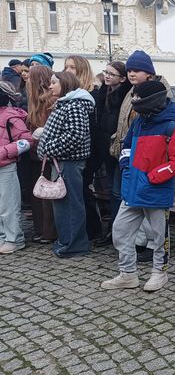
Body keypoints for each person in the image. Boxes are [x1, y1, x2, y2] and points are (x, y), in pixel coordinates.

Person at [101, 80, 175, 292]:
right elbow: (126, 146)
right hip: (132, 190)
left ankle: (160, 272)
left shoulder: (170, 127)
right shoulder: (139, 123)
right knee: (120, 231)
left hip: (156, 192)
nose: (135, 101)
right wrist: (126, 167)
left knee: (159, 237)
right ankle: (128, 274)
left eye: (139, 98)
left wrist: (154, 176)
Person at [110, 50, 172, 262]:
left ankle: (157, 259)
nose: (131, 73)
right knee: (128, 209)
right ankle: (134, 252)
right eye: (129, 70)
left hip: (151, 163)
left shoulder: (160, 92)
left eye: (136, 70)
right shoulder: (131, 91)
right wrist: (124, 157)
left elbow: (160, 127)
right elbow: (127, 122)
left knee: (152, 215)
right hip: (131, 157)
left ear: (149, 72)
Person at [36, 71, 95, 257]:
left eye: (54, 83)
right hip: (61, 161)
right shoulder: (66, 104)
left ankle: (75, 245)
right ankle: (66, 241)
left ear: (65, 84)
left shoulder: (74, 106)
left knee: (70, 204)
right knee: (62, 204)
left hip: (69, 162)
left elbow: (74, 136)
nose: (50, 86)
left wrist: (48, 148)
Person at [64, 55, 102, 240]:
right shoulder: (70, 93)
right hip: (76, 151)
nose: (68, 71)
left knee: (83, 191)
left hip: (88, 150)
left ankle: (92, 229)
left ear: (81, 70)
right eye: (66, 67)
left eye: (72, 67)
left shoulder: (92, 93)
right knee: (79, 192)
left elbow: (93, 128)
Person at [93, 62, 131, 245]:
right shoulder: (103, 92)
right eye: (105, 72)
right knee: (111, 191)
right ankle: (113, 231)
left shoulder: (125, 95)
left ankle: (118, 232)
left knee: (117, 192)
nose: (107, 76)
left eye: (111, 74)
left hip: (120, 148)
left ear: (122, 79)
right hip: (105, 148)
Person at [26, 66, 58, 244]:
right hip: (36, 153)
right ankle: (44, 230)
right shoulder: (36, 101)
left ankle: (48, 231)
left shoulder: (48, 102)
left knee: (45, 192)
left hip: (45, 153)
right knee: (39, 193)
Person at [0, 85, 33, 254]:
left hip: (6, 167)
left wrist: (4, 152)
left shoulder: (10, 117)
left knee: (8, 205)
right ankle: (2, 236)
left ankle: (14, 238)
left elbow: (27, 141)